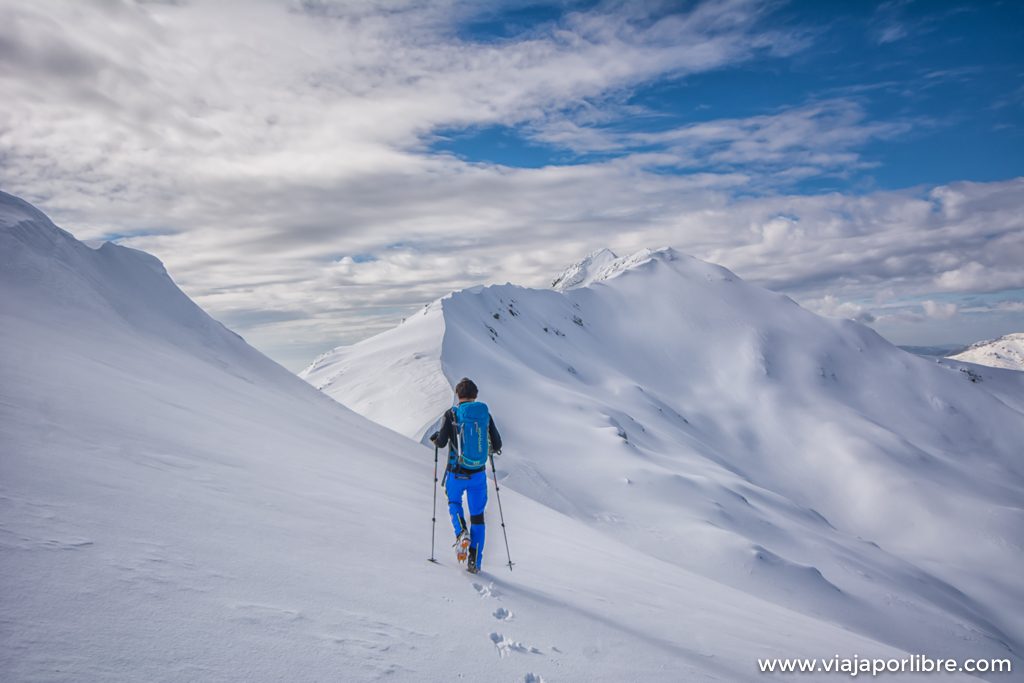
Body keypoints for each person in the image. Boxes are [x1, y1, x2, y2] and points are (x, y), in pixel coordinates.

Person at [430, 377, 502, 573]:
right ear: (475, 395)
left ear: (457, 395)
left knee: (454, 503)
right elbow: (497, 444)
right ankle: (475, 562)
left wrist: (436, 439)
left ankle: (462, 532)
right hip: (478, 475)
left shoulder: (451, 414)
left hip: (456, 473)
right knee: (478, 518)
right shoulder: (484, 414)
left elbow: (443, 442)